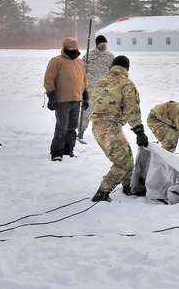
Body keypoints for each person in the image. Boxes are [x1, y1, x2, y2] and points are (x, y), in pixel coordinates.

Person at [89, 55, 149, 202]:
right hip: (109, 127)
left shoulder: (101, 81)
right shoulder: (126, 84)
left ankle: (128, 186)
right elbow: (132, 110)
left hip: (97, 126)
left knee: (126, 155)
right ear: (127, 68)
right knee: (124, 162)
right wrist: (139, 131)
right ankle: (102, 192)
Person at [43, 37, 89, 161]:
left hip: (76, 100)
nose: (75, 50)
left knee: (72, 127)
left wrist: (86, 96)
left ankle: (68, 150)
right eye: (72, 48)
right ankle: (56, 152)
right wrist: (51, 96)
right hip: (62, 100)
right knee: (61, 127)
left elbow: (84, 80)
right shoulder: (56, 61)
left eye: (76, 47)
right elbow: (49, 79)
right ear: (66, 48)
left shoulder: (79, 62)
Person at [78, 35, 114, 144]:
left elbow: (112, 71)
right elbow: (81, 69)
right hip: (89, 88)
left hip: (104, 89)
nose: (104, 45)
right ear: (97, 43)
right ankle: (80, 132)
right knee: (86, 111)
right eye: (102, 43)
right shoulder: (89, 55)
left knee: (103, 112)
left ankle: (104, 134)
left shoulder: (110, 56)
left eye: (105, 44)